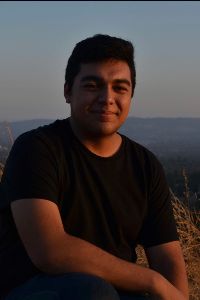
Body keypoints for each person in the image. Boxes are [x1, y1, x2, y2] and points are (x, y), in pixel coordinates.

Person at [0, 34, 188, 300]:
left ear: (131, 95)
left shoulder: (145, 165)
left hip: (111, 293)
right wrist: (152, 281)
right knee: (93, 291)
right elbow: (50, 251)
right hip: (36, 290)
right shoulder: (37, 149)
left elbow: (167, 257)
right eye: (92, 85)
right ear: (68, 91)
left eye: (120, 87)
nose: (107, 98)